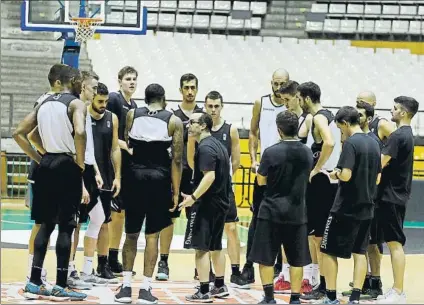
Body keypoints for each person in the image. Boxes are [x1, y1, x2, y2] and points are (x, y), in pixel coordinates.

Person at [13, 64, 87, 301]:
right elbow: (80, 131)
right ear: (69, 80)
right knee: (66, 227)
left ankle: (34, 282)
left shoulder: (43, 102)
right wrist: (81, 163)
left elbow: (21, 133)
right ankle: (61, 285)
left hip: (46, 165)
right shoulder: (75, 103)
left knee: (45, 225)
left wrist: (39, 157)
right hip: (67, 164)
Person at [114, 84, 183, 304]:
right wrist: (176, 191)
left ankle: (125, 287)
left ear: (145, 98)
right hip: (158, 180)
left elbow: (129, 144)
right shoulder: (174, 121)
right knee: (152, 235)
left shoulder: (132, 114)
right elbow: (178, 160)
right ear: (163, 99)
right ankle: (146, 288)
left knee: (131, 233)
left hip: (134, 178)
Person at [249, 111, 313, 304]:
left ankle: (269, 298)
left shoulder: (271, 152)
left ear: (279, 130)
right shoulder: (307, 152)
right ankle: (295, 298)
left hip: (271, 211)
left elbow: (261, 181)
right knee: (296, 258)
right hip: (297, 212)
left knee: (265, 257)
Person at [320, 106, 382, 304]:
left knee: (328, 251)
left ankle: (330, 297)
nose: (340, 132)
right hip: (367, 207)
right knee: (359, 252)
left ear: (346, 124)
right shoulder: (374, 143)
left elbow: (346, 174)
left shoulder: (351, 143)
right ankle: (355, 297)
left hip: (345, 207)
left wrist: (335, 173)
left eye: (340, 128)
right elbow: (378, 178)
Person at [156, 73, 205, 282]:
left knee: (200, 220)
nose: (190, 91)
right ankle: (164, 262)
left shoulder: (204, 116)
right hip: (175, 174)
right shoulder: (172, 115)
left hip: (197, 176)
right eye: (186, 87)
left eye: (193, 87)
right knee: (169, 217)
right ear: (180, 90)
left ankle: (200, 267)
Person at [243, 68, 290, 285]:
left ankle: (280, 265)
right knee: (257, 219)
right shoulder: (260, 103)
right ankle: (248, 265)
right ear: (270, 82)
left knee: (283, 220)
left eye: (282, 84)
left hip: (284, 172)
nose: (278, 88)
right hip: (264, 168)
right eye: (275, 83)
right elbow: (253, 132)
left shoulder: (291, 107)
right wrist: (253, 159)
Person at [296, 82, 341, 302]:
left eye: (298, 97)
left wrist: (315, 169)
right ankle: (321, 284)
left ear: (305, 98)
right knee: (316, 238)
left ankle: (324, 287)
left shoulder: (320, 118)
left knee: (320, 238)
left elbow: (330, 143)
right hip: (326, 184)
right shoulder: (323, 116)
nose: (296, 101)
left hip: (322, 185)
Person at [180, 111, 231, 303]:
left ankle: (203, 291)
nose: (188, 126)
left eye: (192, 123)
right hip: (221, 203)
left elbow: (210, 176)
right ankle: (219, 285)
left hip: (208, 205)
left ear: (203, 125)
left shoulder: (205, 148)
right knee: (216, 246)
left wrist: (193, 197)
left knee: (201, 248)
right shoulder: (218, 145)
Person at [201, 91, 249, 289]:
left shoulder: (230, 130)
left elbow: (236, 161)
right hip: (204, 187)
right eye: (210, 106)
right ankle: (208, 271)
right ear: (205, 106)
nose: (213, 110)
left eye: (216, 106)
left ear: (222, 106)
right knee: (207, 230)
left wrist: (224, 179)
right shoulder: (201, 128)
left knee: (230, 228)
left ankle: (236, 272)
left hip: (223, 187)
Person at [374, 96, 419, 304]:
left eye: (394, 109)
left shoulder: (397, 136)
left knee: (395, 244)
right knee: (394, 243)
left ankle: (398, 291)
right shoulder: (408, 134)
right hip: (397, 195)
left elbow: (379, 164)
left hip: (391, 196)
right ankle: (396, 290)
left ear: (402, 112)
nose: (391, 112)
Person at [25, 65, 66, 287]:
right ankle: (32, 271)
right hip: (45, 169)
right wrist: (44, 156)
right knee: (42, 223)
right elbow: (30, 133)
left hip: (52, 168)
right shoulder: (47, 102)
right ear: (58, 83)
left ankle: (38, 272)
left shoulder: (55, 102)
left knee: (53, 223)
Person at [273, 81, 315, 295]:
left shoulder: (308, 119)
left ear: (298, 97)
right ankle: (285, 272)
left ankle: (307, 274)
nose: (285, 104)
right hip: (288, 180)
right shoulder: (289, 120)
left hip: (303, 181)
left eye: (288, 100)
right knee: (284, 227)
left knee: (303, 230)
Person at [67, 71, 106, 290]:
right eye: (93, 87)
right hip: (78, 171)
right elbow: (75, 149)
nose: (96, 91)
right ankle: (71, 269)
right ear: (83, 87)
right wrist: (81, 182)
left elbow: (88, 148)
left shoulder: (86, 110)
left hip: (89, 169)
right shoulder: (75, 109)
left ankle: (88, 270)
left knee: (98, 216)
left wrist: (97, 171)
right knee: (75, 225)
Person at [106, 66, 138, 275]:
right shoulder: (114, 100)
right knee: (113, 215)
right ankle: (106, 258)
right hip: (112, 164)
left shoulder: (133, 104)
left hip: (127, 167)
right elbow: (107, 131)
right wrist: (125, 146)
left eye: (134, 79)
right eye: (128, 79)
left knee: (122, 215)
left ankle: (113, 257)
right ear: (119, 81)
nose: (132, 82)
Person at [88, 83, 121, 283]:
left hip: (106, 178)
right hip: (86, 177)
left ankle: (102, 264)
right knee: (78, 223)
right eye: (100, 101)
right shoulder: (82, 116)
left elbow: (115, 148)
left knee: (105, 222)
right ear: (91, 98)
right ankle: (77, 266)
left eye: (106, 101)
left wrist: (118, 176)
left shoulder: (112, 118)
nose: (103, 105)